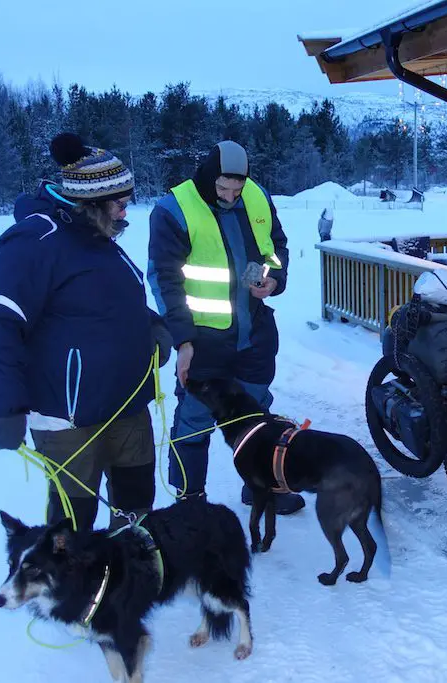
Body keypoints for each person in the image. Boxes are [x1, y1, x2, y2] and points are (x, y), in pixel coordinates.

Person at [0, 132, 172, 531]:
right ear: (90, 202)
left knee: (135, 508)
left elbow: (110, 301)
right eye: (119, 203)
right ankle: (76, 592)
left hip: (127, 406)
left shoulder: (100, 239)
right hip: (69, 418)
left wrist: (153, 326)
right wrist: (5, 407)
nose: (125, 212)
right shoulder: (33, 241)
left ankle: (129, 583)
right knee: (73, 525)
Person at [147, 140, 303, 514]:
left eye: (237, 188)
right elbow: (164, 279)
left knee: (255, 416)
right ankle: (191, 502)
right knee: (195, 422)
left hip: (254, 336)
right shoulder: (173, 209)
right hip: (203, 341)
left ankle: (260, 486)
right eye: (223, 189)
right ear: (207, 175)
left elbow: (276, 248)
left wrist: (272, 279)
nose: (231, 196)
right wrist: (183, 339)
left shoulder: (258, 197)